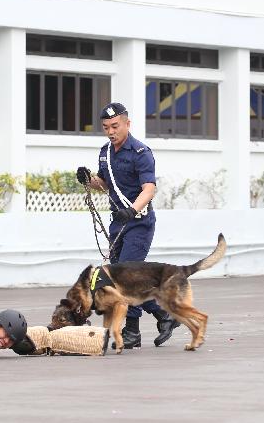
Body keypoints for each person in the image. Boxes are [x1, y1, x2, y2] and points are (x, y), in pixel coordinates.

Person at [76, 102, 181, 349]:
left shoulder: (140, 152)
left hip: (139, 222)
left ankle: (133, 330)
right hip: (117, 222)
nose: (111, 131)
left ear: (127, 124)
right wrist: (88, 180)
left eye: (115, 126)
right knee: (117, 279)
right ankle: (163, 314)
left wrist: (132, 210)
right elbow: (105, 184)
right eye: (106, 127)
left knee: (126, 280)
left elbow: (149, 188)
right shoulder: (105, 153)